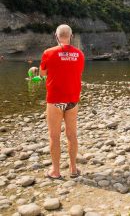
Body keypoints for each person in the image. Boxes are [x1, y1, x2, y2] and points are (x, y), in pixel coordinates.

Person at [40, 24, 84, 179]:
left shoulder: (48, 53)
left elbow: (42, 73)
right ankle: (73, 169)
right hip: (72, 100)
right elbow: (76, 72)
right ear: (71, 36)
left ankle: (56, 171)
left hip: (54, 100)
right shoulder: (79, 54)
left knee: (54, 136)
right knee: (72, 135)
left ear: (56, 36)